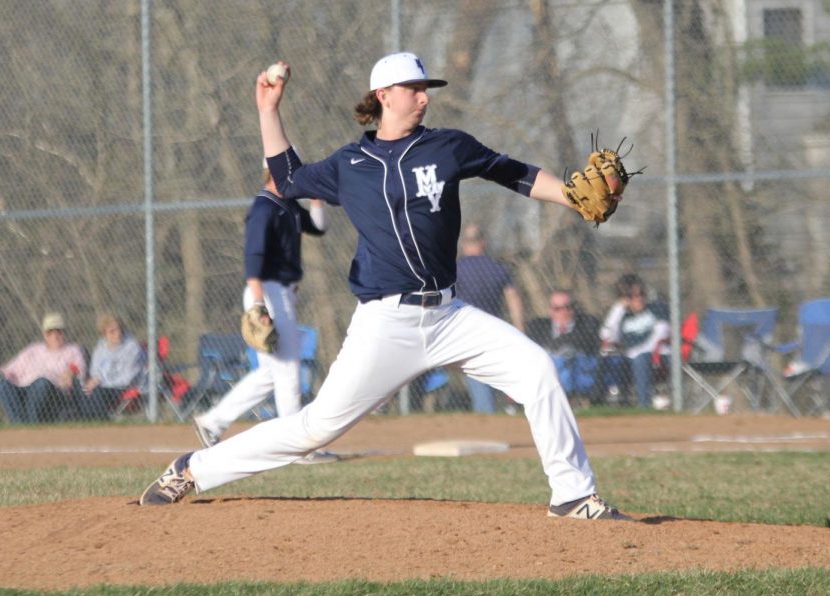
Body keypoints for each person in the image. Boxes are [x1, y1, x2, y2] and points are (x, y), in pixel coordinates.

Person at [140, 52, 630, 520]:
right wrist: (269, 110)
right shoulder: (349, 165)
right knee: (316, 428)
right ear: (384, 95)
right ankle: (191, 470)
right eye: (413, 88)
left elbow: (515, 174)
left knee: (537, 369)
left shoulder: (449, 146)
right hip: (387, 322)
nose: (424, 97)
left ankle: (572, 495)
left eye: (425, 88)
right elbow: (288, 180)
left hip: (449, 315)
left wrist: (570, 196)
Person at [191, 160, 328, 453]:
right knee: (289, 367)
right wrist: (258, 304)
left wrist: (316, 196)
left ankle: (212, 422)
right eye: (294, 171)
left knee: (270, 374)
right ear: (277, 174)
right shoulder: (264, 208)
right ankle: (296, 446)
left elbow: (317, 227)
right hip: (267, 292)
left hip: (281, 293)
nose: (299, 176)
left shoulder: (287, 205)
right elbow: (253, 256)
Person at [454, 222, 525, 413]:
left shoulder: (456, 269)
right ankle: (494, 412)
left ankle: (486, 415)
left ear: (463, 243)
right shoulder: (497, 268)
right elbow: (513, 298)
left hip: (465, 330)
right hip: (495, 328)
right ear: (483, 242)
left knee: (477, 374)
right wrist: (519, 328)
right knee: (492, 372)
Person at [0, 312, 86, 423]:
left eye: (59, 331)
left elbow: (80, 365)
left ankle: (31, 425)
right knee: (2, 386)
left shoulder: (72, 349)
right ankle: (21, 426)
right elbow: (10, 369)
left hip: (52, 391)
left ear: (64, 333)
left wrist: (70, 372)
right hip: (24, 389)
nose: (55, 336)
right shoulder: (33, 350)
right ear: (44, 335)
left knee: (42, 382)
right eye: (50, 332)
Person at [599, 274, 671, 408]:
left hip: (659, 356)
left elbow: (663, 331)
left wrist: (638, 352)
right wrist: (619, 307)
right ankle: (612, 404)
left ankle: (644, 406)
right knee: (611, 361)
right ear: (625, 299)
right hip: (631, 359)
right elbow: (606, 336)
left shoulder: (656, 309)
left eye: (641, 294)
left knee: (641, 358)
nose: (639, 299)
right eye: (632, 296)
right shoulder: (623, 316)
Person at [527, 289, 602, 401]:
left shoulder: (587, 324)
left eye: (568, 307)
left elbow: (588, 345)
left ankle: (571, 398)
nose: (563, 312)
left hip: (578, 372)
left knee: (567, 358)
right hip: (546, 373)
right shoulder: (538, 327)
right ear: (551, 310)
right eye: (557, 309)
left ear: (573, 309)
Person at [81, 314, 146, 420]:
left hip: (123, 387)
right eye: (112, 332)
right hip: (102, 386)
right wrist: (95, 380)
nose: (118, 334)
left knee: (95, 392)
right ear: (104, 334)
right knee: (83, 390)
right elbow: (95, 371)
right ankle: (86, 419)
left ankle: (98, 420)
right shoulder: (100, 348)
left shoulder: (132, 347)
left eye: (119, 330)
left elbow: (128, 378)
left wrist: (101, 381)